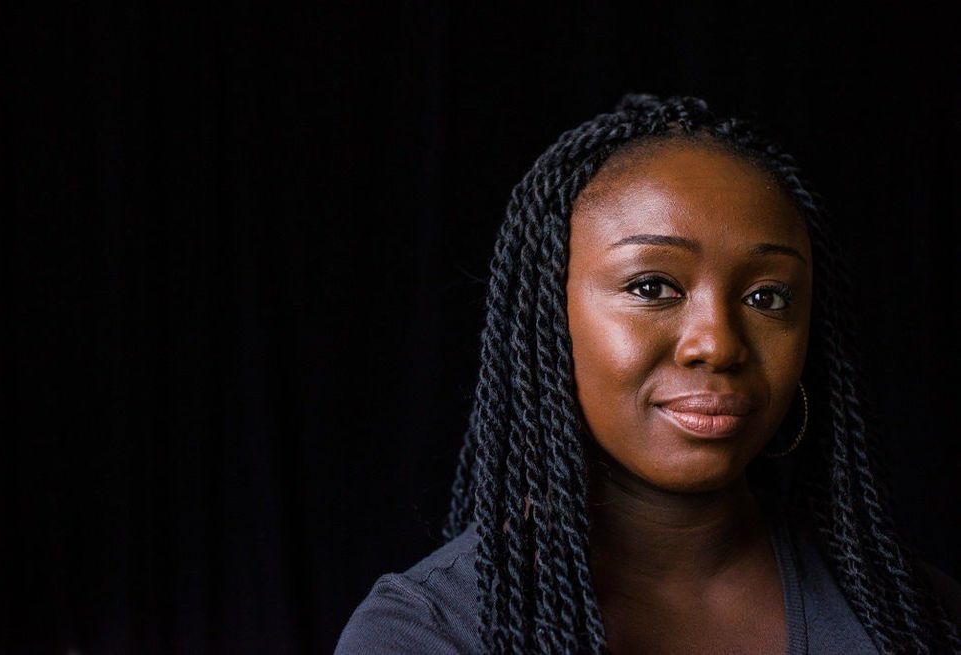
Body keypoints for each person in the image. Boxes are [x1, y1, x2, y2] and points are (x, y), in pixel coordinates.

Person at [334, 94, 961, 654]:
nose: (717, 344)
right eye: (651, 286)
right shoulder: (429, 632)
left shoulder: (915, 614)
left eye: (768, 297)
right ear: (548, 320)